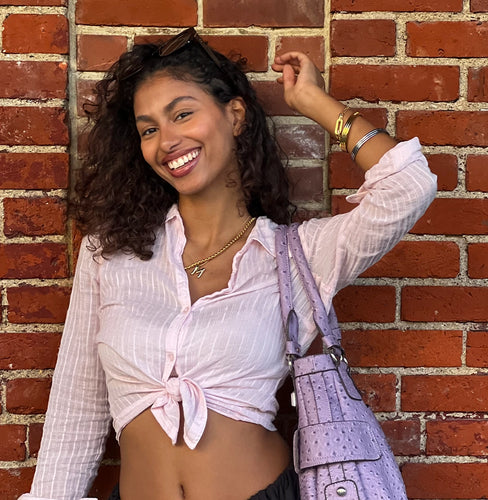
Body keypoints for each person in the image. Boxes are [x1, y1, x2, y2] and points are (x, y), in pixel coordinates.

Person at [19, 28, 436, 500]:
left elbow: (407, 189)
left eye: (183, 114)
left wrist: (316, 103)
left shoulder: (295, 257)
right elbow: (77, 409)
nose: (167, 141)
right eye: (149, 129)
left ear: (234, 115)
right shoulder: (110, 253)